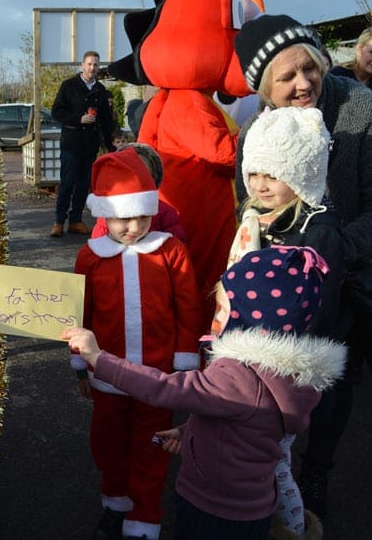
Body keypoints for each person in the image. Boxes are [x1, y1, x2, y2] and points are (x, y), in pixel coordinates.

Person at [64, 245, 345, 540]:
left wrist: (98, 358)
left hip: (213, 508)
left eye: (223, 309)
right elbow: (244, 425)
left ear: (253, 319)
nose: (214, 318)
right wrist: (190, 433)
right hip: (251, 509)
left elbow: (165, 388)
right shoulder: (284, 375)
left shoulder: (238, 375)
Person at [234, 13, 372, 520]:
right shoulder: (256, 130)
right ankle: (274, 471)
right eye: (286, 76)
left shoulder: (360, 108)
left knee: (333, 382)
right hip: (287, 280)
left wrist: (331, 249)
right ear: (264, 88)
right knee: (281, 381)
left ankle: (318, 469)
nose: (303, 83)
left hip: (352, 271)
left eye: (308, 68)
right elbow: (246, 204)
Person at [69, 147, 202, 540]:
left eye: (142, 216)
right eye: (123, 217)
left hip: (157, 376)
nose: (133, 226)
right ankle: (116, 502)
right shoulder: (89, 257)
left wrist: (184, 363)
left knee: (152, 446)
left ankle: (144, 518)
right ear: (105, 214)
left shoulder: (170, 251)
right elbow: (79, 316)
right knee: (108, 444)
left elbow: (188, 308)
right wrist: (78, 365)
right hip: (106, 374)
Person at [230, 106, 345, 538]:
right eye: (253, 171)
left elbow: (320, 308)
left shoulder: (318, 229)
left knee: (275, 462)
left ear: (302, 174)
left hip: (289, 367)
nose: (258, 184)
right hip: (249, 357)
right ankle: (264, 522)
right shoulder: (254, 218)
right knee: (257, 458)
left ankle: (293, 530)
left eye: (272, 175)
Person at [49, 50, 115, 237]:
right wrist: (78, 118)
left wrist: (112, 146)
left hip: (90, 145)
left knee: (83, 184)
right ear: (82, 65)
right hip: (71, 143)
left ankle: (76, 220)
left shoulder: (100, 90)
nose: (92, 68)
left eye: (95, 65)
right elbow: (56, 112)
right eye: (89, 64)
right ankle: (59, 221)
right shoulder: (69, 86)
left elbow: (106, 120)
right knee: (67, 183)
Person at [90, 142, 186, 244]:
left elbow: (176, 247)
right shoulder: (109, 212)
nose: (135, 228)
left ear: (154, 178)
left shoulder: (166, 213)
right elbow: (99, 246)